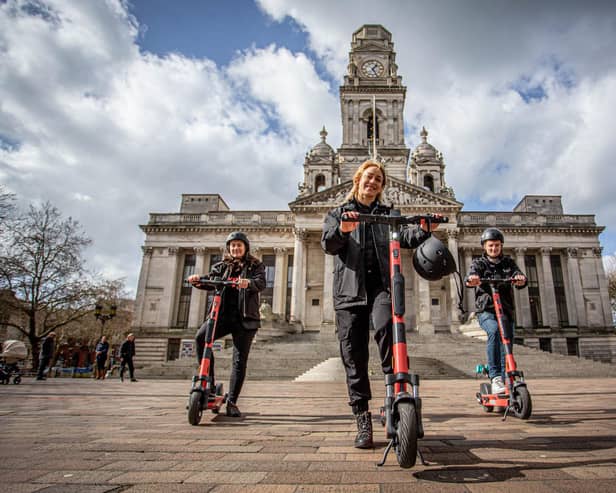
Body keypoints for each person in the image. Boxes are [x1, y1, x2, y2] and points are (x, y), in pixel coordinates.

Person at [321, 159, 440, 449]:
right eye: (369, 177)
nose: (373, 182)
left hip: (382, 288)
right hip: (349, 292)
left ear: (382, 187)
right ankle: (362, 418)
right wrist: (344, 230)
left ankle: (396, 396)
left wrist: (425, 228)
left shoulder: (389, 214)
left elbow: (406, 236)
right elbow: (328, 244)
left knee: (389, 328)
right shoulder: (337, 213)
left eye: (379, 180)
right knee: (354, 356)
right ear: (358, 179)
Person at [188, 231, 266, 418]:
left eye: (239, 245)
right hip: (221, 316)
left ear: (245, 247)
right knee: (200, 338)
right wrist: (197, 280)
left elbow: (261, 283)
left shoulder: (256, 265)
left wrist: (249, 283)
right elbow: (211, 280)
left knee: (239, 361)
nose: (236, 248)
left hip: (245, 319)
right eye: (233, 245)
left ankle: (232, 401)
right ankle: (209, 382)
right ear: (228, 248)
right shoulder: (221, 266)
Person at [465, 228, 527, 394]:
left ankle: (508, 374)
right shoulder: (479, 263)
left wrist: (521, 279)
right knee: (494, 331)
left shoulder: (508, 263)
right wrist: (472, 279)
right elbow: (470, 275)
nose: (494, 248)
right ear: (484, 247)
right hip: (486, 310)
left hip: (505, 310)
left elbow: (518, 275)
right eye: (491, 245)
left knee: (507, 340)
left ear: (501, 246)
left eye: (497, 245)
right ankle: (495, 376)